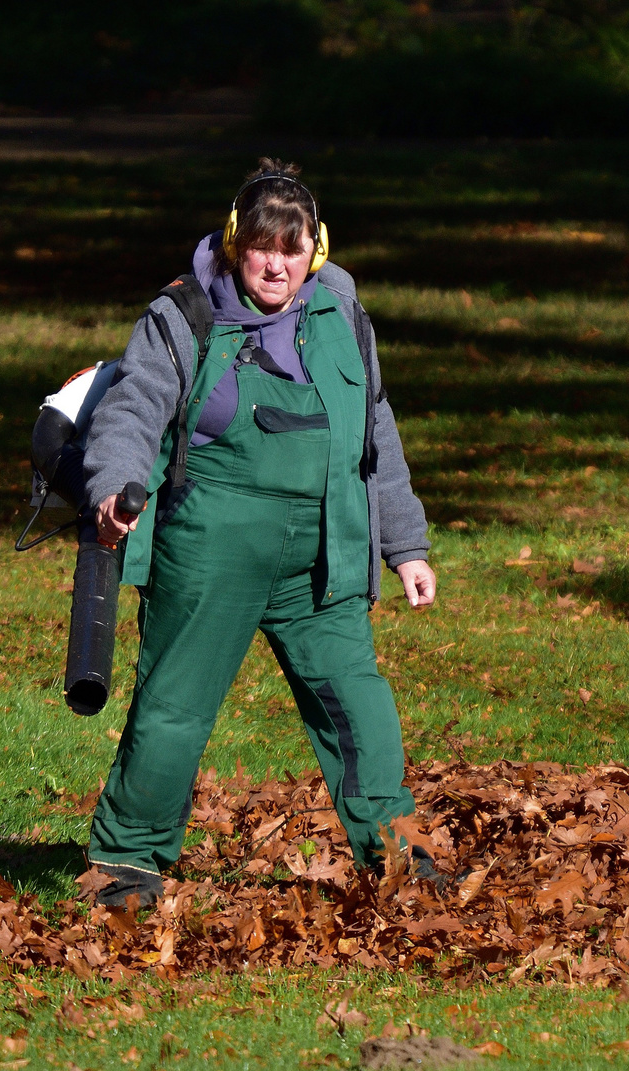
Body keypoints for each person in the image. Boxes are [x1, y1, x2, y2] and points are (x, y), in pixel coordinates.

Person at [79, 158, 439, 910]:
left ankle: (400, 857)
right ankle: (126, 866)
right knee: (176, 704)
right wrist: (114, 487)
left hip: (324, 545)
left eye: (293, 246)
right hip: (212, 540)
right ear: (238, 242)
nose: (277, 264)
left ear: (318, 248)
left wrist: (404, 545)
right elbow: (133, 406)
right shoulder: (183, 315)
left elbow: (375, 428)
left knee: (359, 701)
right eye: (262, 246)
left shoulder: (342, 314)